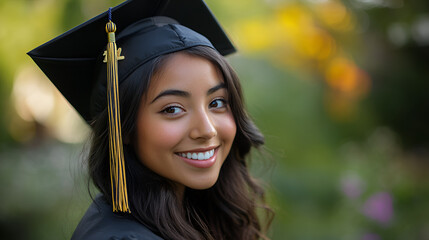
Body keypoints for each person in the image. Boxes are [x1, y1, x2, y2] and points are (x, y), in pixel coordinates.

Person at [28, 0, 273, 239]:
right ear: (123, 127)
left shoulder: (195, 215)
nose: (207, 130)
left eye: (217, 102)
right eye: (172, 109)